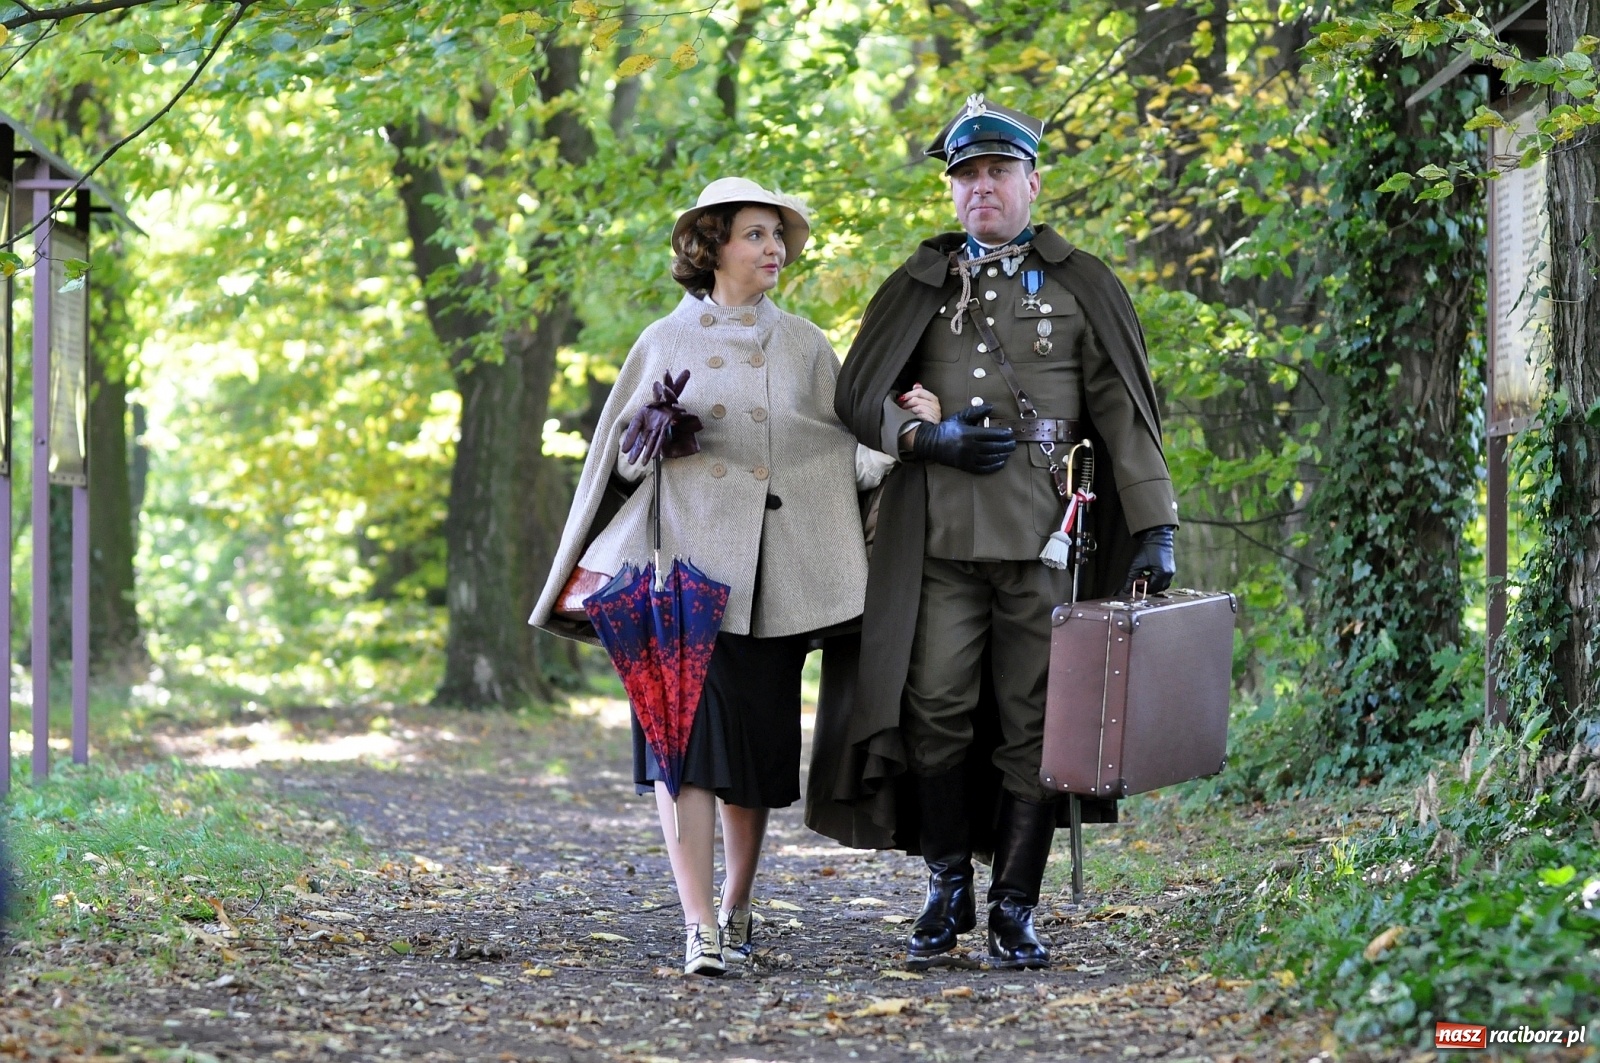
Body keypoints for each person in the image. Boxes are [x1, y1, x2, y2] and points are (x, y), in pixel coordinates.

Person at [814, 95, 1179, 970]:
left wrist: (1156, 524)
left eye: (998, 172)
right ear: (952, 190)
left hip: (1047, 537)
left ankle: (1016, 905)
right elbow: (857, 395)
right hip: (937, 537)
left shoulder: (1081, 283)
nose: (983, 187)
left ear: (1032, 182)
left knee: (1034, 719)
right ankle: (947, 885)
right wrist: (924, 435)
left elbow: (1124, 414)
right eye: (968, 175)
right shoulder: (919, 285)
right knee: (932, 707)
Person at [530, 177, 914, 977]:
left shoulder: (805, 344)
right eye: (755, 234)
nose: (773, 248)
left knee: (755, 764)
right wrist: (650, 434)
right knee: (681, 748)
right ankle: (698, 925)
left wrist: (910, 437)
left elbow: (837, 451)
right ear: (712, 246)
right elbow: (616, 465)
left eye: (778, 235)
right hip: (681, 574)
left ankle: (737, 904)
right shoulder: (663, 340)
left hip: (774, 585)